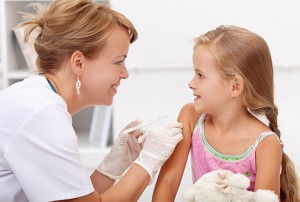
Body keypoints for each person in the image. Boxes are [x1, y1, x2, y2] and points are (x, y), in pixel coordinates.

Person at [0, 0, 183, 201]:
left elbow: (74, 197)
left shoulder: (37, 101)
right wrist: (148, 161)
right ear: (78, 62)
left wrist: (112, 166)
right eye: (118, 62)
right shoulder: (41, 114)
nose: (125, 74)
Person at [152, 25, 300, 202]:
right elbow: (168, 182)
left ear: (235, 86)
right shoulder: (191, 117)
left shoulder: (265, 144)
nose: (191, 83)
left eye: (200, 75)